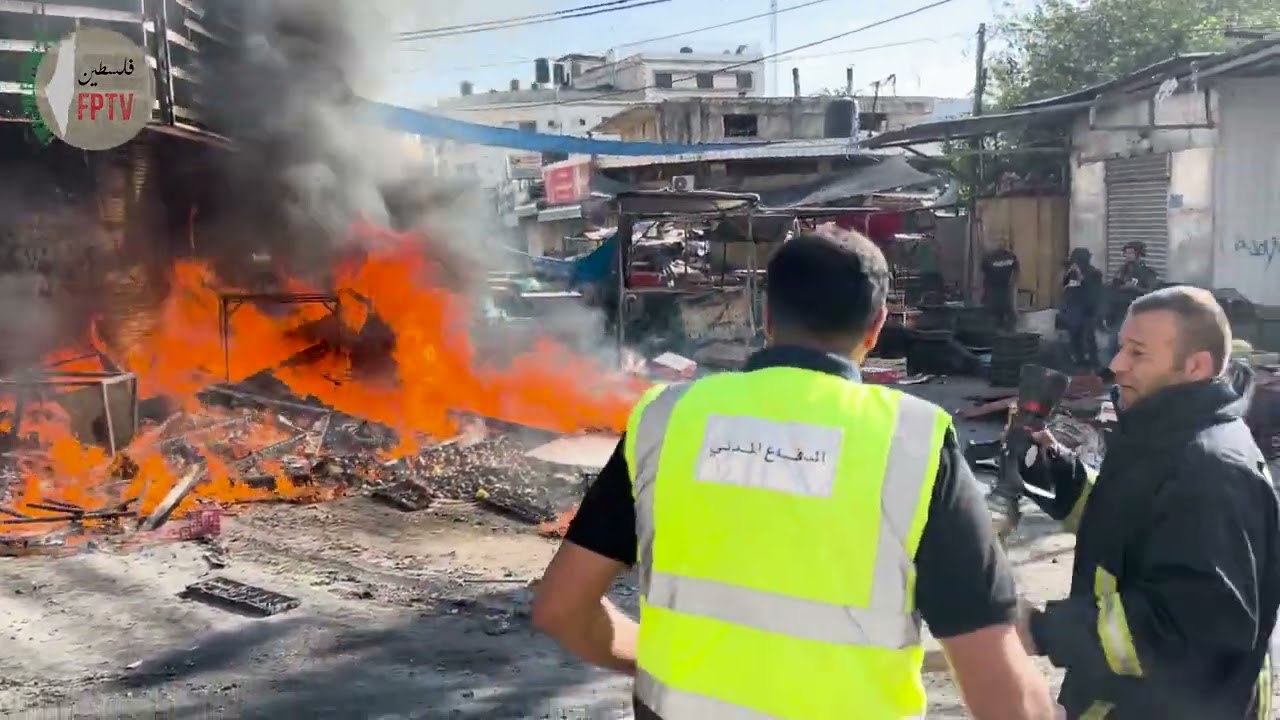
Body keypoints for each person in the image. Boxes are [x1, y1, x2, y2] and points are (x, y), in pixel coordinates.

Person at [532, 231, 1058, 720]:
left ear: (766, 317)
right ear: (876, 328)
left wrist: (654, 663)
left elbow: (561, 608)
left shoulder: (667, 420)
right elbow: (1003, 687)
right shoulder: (911, 442)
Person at [1016, 285, 1280, 719]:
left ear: (1195, 366)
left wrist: (1045, 630)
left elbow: (1183, 630)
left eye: (1137, 353)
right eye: (1121, 348)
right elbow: (1135, 523)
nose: (1116, 365)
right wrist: (1060, 475)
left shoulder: (1210, 471)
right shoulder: (1164, 433)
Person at [1104, 241, 1159, 357]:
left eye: (1130, 253)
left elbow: (1151, 292)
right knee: (1113, 344)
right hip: (1120, 311)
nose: (1127, 256)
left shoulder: (1147, 273)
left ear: (1138, 254)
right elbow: (1113, 288)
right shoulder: (1122, 271)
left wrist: (1135, 288)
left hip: (1138, 312)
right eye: (1126, 253)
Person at [1059, 248, 1103, 368]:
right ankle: (1079, 362)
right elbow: (1065, 286)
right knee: (1074, 336)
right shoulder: (1071, 273)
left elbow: (1090, 286)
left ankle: (1095, 364)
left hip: (1088, 309)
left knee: (1088, 338)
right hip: (1074, 309)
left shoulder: (1095, 272)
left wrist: (1078, 273)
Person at [981, 241, 1020, 330]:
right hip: (992, 289)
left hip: (1005, 288)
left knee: (1008, 311)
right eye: (998, 241)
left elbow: (1016, 270)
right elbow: (983, 273)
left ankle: (1008, 331)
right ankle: (994, 331)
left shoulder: (1011, 256)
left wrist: (1013, 282)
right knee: (993, 313)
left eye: (1003, 241)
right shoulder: (988, 257)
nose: (1000, 243)